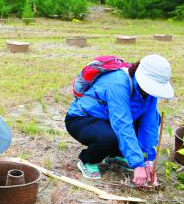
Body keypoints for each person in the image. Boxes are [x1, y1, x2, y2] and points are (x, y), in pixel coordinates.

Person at [65, 54, 174, 185]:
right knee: (110, 138)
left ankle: (117, 155)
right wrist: (138, 165)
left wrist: (148, 161)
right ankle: (88, 160)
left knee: (155, 119)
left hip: (108, 120)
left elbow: (148, 126)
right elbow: (122, 125)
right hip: (82, 119)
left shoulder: (149, 92)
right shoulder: (118, 83)